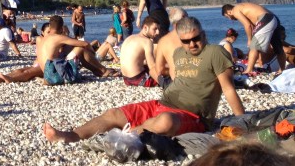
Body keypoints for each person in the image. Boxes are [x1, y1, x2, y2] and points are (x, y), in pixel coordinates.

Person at [44, 16, 245, 143]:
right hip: (163, 103)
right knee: (113, 114)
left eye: (196, 38)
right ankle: (70, 135)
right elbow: (168, 74)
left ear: (203, 34)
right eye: (186, 41)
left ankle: (120, 139)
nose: (192, 44)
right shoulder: (179, 53)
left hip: (193, 116)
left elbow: (228, 89)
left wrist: (243, 122)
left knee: (165, 122)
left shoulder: (215, 52)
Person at [222, 3, 286, 75]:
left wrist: (249, 40)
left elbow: (247, 25)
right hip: (274, 18)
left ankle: (249, 70)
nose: (231, 19)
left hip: (265, 19)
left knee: (254, 47)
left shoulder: (235, 10)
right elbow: (253, 26)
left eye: (227, 17)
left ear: (228, 12)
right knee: (278, 47)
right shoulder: (243, 6)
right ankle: (282, 70)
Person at [119, 14, 162, 86]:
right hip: (139, 80)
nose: (158, 32)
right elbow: (152, 66)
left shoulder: (129, 38)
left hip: (126, 79)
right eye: (155, 29)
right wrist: (162, 81)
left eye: (158, 29)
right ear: (145, 27)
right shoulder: (147, 41)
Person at [151, 7, 188, 87]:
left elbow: (160, 70)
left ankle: (167, 87)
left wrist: (171, 68)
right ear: (184, 17)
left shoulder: (164, 41)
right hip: (198, 80)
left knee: (152, 70)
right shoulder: (196, 35)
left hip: (178, 84)